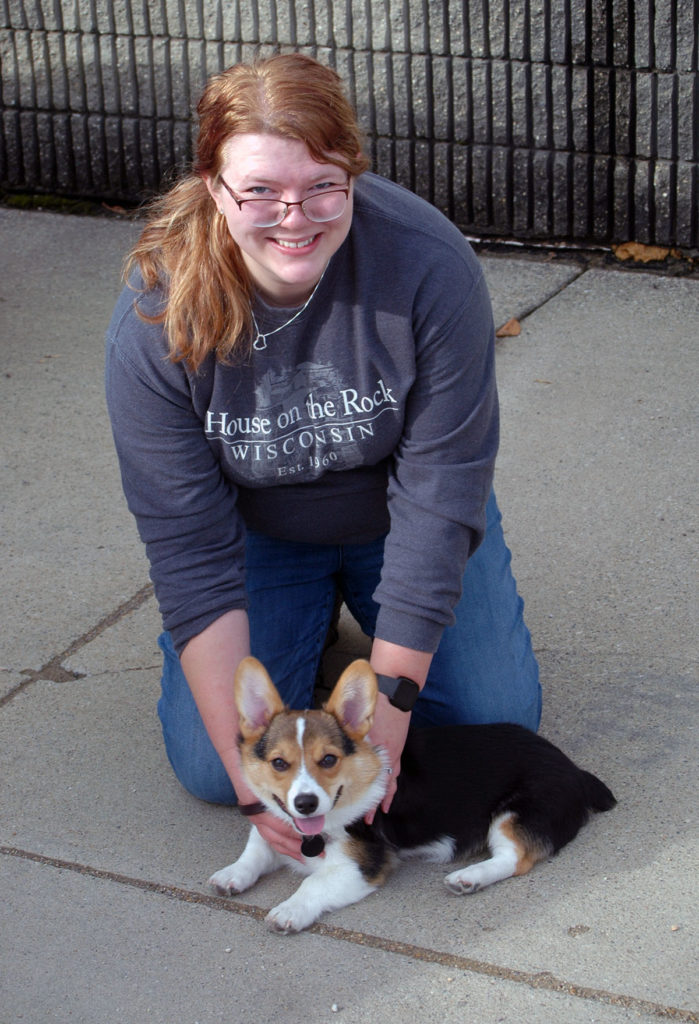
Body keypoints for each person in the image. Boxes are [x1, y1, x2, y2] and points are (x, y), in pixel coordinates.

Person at [105, 52, 541, 861]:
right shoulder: (156, 318)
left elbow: (441, 494)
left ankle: (362, 633)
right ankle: (310, 626)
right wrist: (251, 780)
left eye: (322, 186)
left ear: (354, 176)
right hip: (258, 538)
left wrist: (388, 722)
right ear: (213, 186)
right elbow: (188, 552)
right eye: (260, 190)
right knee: (211, 767)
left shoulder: (426, 264)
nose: (293, 216)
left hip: (401, 522)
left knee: (491, 714)